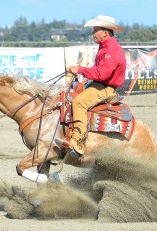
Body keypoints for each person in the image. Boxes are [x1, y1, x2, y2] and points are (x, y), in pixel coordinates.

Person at [55, 15, 127, 158]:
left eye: (96, 30)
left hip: (105, 88)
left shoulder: (111, 50)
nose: (93, 33)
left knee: (79, 103)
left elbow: (102, 74)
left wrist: (80, 69)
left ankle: (78, 144)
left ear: (105, 32)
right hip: (98, 84)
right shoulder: (105, 47)